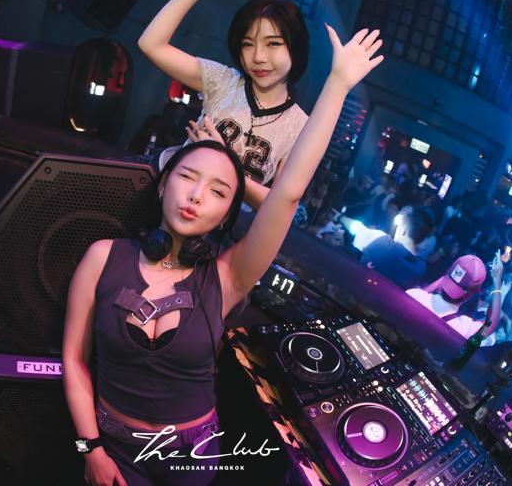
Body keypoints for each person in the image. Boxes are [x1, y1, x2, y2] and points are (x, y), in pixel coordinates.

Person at [64, 24, 384, 486]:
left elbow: (287, 195)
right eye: (187, 177)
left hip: (193, 458)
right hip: (109, 449)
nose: (196, 195)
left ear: (226, 214)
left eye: (218, 191)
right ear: (163, 184)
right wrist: (89, 449)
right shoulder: (102, 257)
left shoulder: (227, 276)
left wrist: (336, 86)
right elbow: (73, 361)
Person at [138, 0, 310, 209]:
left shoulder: (302, 127)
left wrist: (225, 160)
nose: (258, 57)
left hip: (219, 226)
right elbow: (151, 44)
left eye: (273, 44)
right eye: (247, 44)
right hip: (163, 200)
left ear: (295, 48)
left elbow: (279, 206)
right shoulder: (224, 82)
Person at [406, 254, 503, 339]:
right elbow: (490, 325)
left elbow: (426, 292)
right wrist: (497, 283)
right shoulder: (464, 328)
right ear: (470, 295)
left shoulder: (413, 294)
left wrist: (448, 276)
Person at [340, 205, 435, 289]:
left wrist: (340, 217)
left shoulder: (382, 243)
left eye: (399, 225)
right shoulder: (420, 269)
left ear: (404, 228)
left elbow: (356, 228)